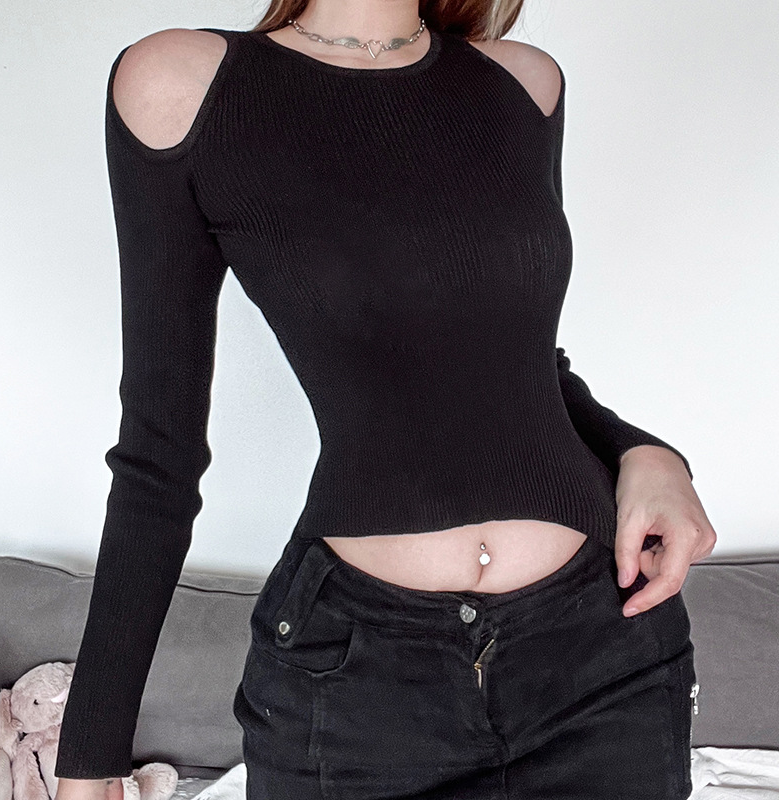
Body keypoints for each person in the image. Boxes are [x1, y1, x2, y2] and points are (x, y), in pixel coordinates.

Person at [54, 1, 717, 798]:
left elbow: (520, 365)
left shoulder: (522, 84)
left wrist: (646, 452)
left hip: (602, 656)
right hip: (359, 690)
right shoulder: (183, 86)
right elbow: (157, 450)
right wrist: (90, 757)